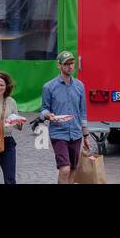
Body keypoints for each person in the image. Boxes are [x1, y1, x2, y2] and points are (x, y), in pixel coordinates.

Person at [40, 51, 90, 183]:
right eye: (66, 64)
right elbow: (44, 109)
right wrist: (47, 115)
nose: (70, 66)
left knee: (74, 168)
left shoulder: (80, 86)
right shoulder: (49, 87)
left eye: (72, 63)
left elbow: (82, 112)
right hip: (58, 133)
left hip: (76, 132)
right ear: (59, 66)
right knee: (65, 169)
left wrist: (86, 135)